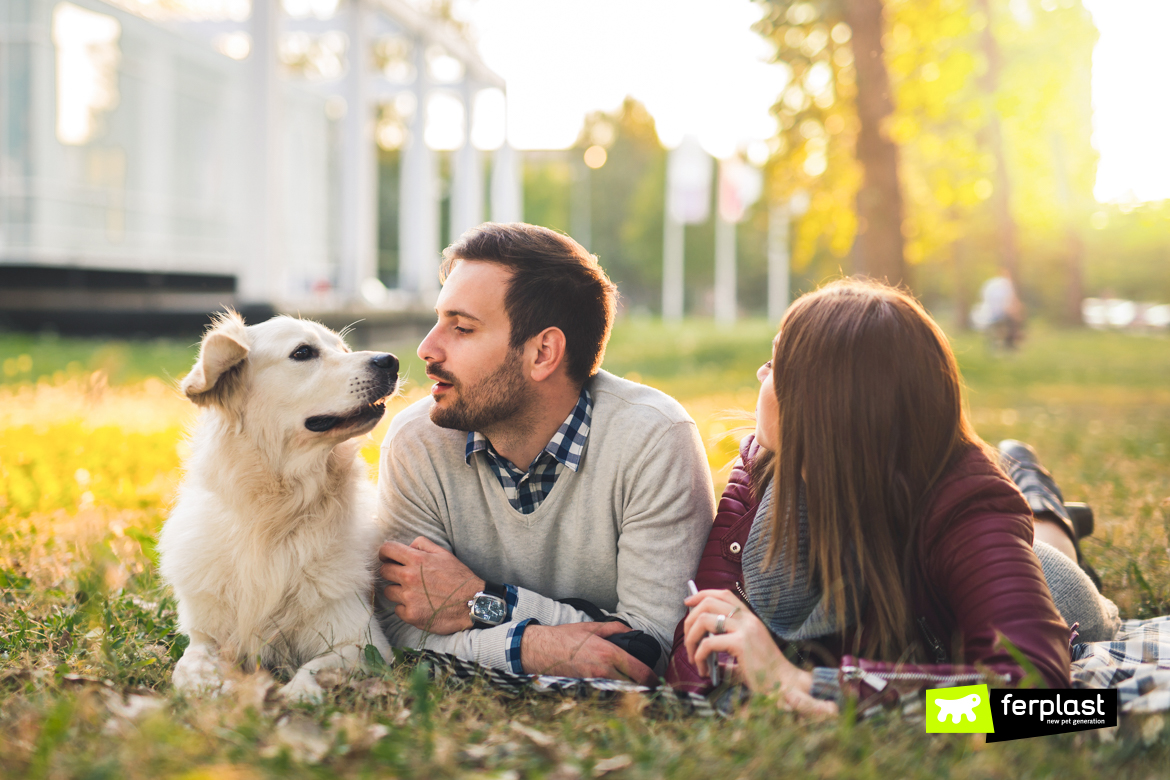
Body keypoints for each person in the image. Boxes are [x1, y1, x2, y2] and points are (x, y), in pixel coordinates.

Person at [667, 279, 1116, 715]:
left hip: (1059, 593)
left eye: (775, 365)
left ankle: (1040, 497)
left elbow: (1038, 702)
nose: (761, 374)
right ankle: (1032, 489)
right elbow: (694, 659)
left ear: (824, 406)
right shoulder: (762, 465)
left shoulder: (968, 503)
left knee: (1054, 548)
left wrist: (812, 685)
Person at [375, 223, 713, 683]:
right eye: (439, 321)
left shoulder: (653, 439)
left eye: (462, 328)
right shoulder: (417, 441)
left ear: (543, 353)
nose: (426, 348)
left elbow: (650, 649)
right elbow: (399, 633)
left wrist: (479, 602)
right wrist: (530, 648)